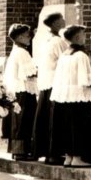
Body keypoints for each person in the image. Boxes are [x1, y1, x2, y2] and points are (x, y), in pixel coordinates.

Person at [49, 25, 91, 167]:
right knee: (79, 127)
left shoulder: (64, 55)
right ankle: (78, 157)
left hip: (64, 96)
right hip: (79, 96)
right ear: (77, 37)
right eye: (83, 35)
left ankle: (69, 156)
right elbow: (85, 80)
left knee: (67, 126)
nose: (85, 38)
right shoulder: (81, 56)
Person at [31, 12, 69, 164]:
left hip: (46, 84)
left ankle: (47, 151)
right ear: (55, 24)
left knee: (47, 119)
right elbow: (65, 61)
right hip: (55, 83)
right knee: (55, 120)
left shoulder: (45, 40)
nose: (64, 22)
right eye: (61, 20)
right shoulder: (58, 42)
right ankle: (54, 153)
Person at [4, 23, 38, 160]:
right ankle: (21, 151)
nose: (29, 38)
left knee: (19, 121)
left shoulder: (15, 51)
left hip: (17, 90)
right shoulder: (22, 52)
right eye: (26, 35)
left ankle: (18, 150)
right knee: (23, 120)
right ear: (18, 37)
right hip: (23, 90)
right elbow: (29, 73)